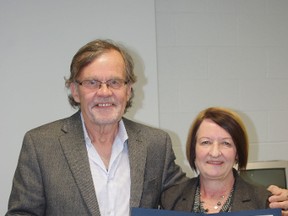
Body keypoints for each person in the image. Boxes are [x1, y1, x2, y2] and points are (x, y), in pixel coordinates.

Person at [6, 39, 187, 216]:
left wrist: (211, 165)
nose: (104, 92)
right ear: (75, 91)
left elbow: (186, 200)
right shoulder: (41, 145)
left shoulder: (155, 144)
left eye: (115, 82)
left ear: (128, 90)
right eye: (92, 83)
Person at [160, 107, 271, 214]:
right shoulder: (170, 200)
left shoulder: (264, 201)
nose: (215, 153)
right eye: (206, 142)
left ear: (237, 153)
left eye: (226, 143)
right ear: (193, 149)